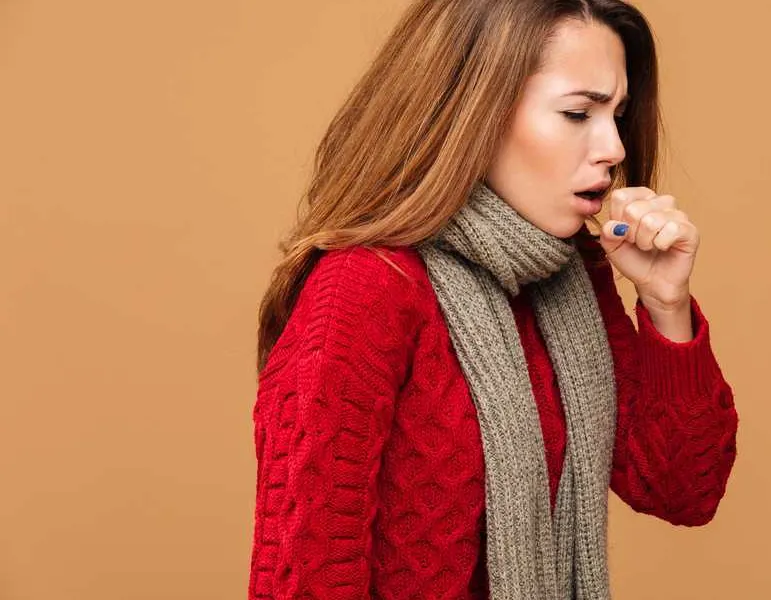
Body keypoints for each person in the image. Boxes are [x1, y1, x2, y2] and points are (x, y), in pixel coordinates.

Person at [248, 1, 738, 598]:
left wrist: (665, 301)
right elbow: (304, 578)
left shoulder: (571, 273)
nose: (613, 147)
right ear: (475, 111)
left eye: (618, 115)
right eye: (577, 113)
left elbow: (682, 490)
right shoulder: (365, 289)